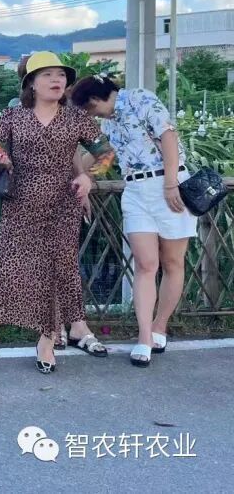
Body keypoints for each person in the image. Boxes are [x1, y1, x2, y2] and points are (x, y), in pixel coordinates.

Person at [0, 52, 115, 373]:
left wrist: (89, 177)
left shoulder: (76, 118)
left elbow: (106, 153)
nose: (56, 80)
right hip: (20, 203)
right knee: (10, 267)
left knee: (58, 269)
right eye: (47, 74)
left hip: (63, 205)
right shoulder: (12, 117)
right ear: (31, 82)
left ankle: (47, 341)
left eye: (61, 74)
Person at [70, 76, 197, 367]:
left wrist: (170, 184)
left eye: (90, 109)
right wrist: (78, 175)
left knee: (173, 262)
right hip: (136, 190)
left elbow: (168, 136)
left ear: (95, 100)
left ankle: (159, 326)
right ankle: (144, 336)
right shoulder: (109, 123)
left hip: (169, 183)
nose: (92, 115)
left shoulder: (141, 98)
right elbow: (104, 155)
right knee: (145, 264)